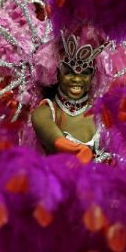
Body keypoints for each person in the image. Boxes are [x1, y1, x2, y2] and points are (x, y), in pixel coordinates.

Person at [31, 34, 107, 164]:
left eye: (84, 73)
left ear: (93, 76)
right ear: (57, 74)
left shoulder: (102, 114)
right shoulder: (46, 112)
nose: (77, 79)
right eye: (69, 72)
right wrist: (80, 152)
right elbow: (56, 141)